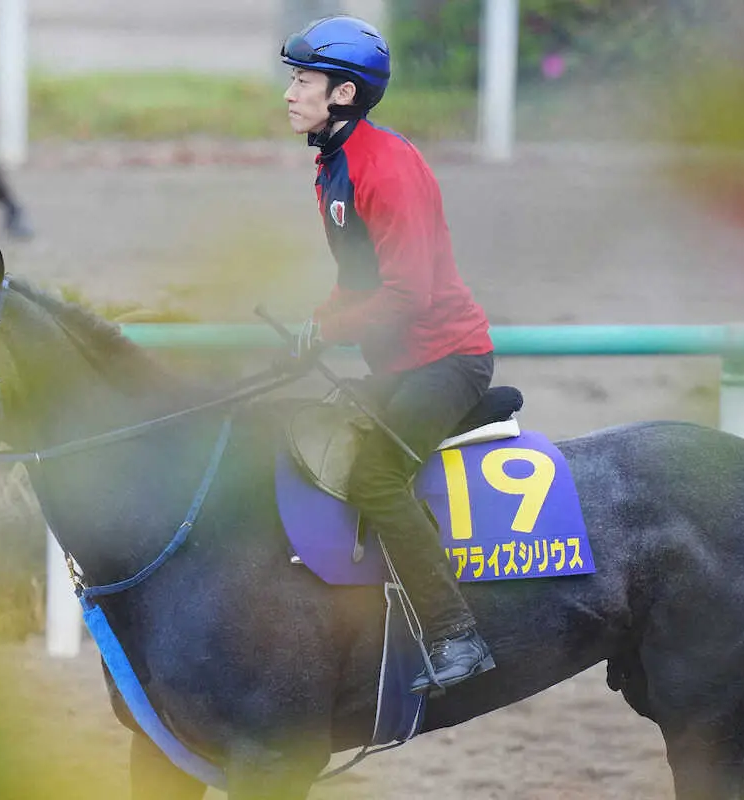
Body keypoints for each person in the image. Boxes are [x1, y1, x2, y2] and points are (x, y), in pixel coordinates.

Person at [280, 15, 497, 693]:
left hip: (448, 361)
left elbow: (409, 294)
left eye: (304, 80)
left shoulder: (385, 167)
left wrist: (333, 330)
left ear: (342, 95)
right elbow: (358, 279)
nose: (290, 92)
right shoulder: (333, 164)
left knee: (375, 476)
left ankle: (457, 637)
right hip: (401, 365)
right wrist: (316, 322)